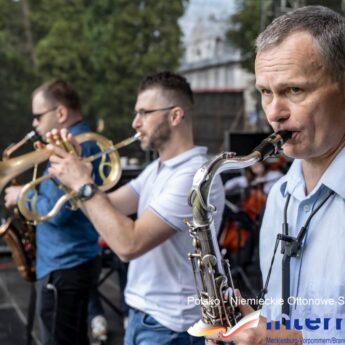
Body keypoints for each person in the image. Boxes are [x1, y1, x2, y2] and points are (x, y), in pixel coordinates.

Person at [47, 71, 225, 345]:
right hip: (145, 317)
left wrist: (82, 185)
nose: (135, 122)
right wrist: (71, 171)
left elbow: (129, 244)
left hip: (171, 327)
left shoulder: (194, 176)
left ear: (175, 116)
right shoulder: (157, 169)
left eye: (144, 112)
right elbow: (109, 205)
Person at [208, 5, 345, 344]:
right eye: (265, 92)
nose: (273, 113)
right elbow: (279, 318)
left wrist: (287, 339)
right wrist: (250, 328)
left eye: (294, 90)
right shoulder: (279, 195)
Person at [4, 79, 102, 345]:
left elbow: (55, 213)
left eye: (38, 116)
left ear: (60, 113)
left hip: (63, 265)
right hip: (70, 262)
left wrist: (22, 195)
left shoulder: (71, 147)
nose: (34, 124)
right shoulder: (76, 142)